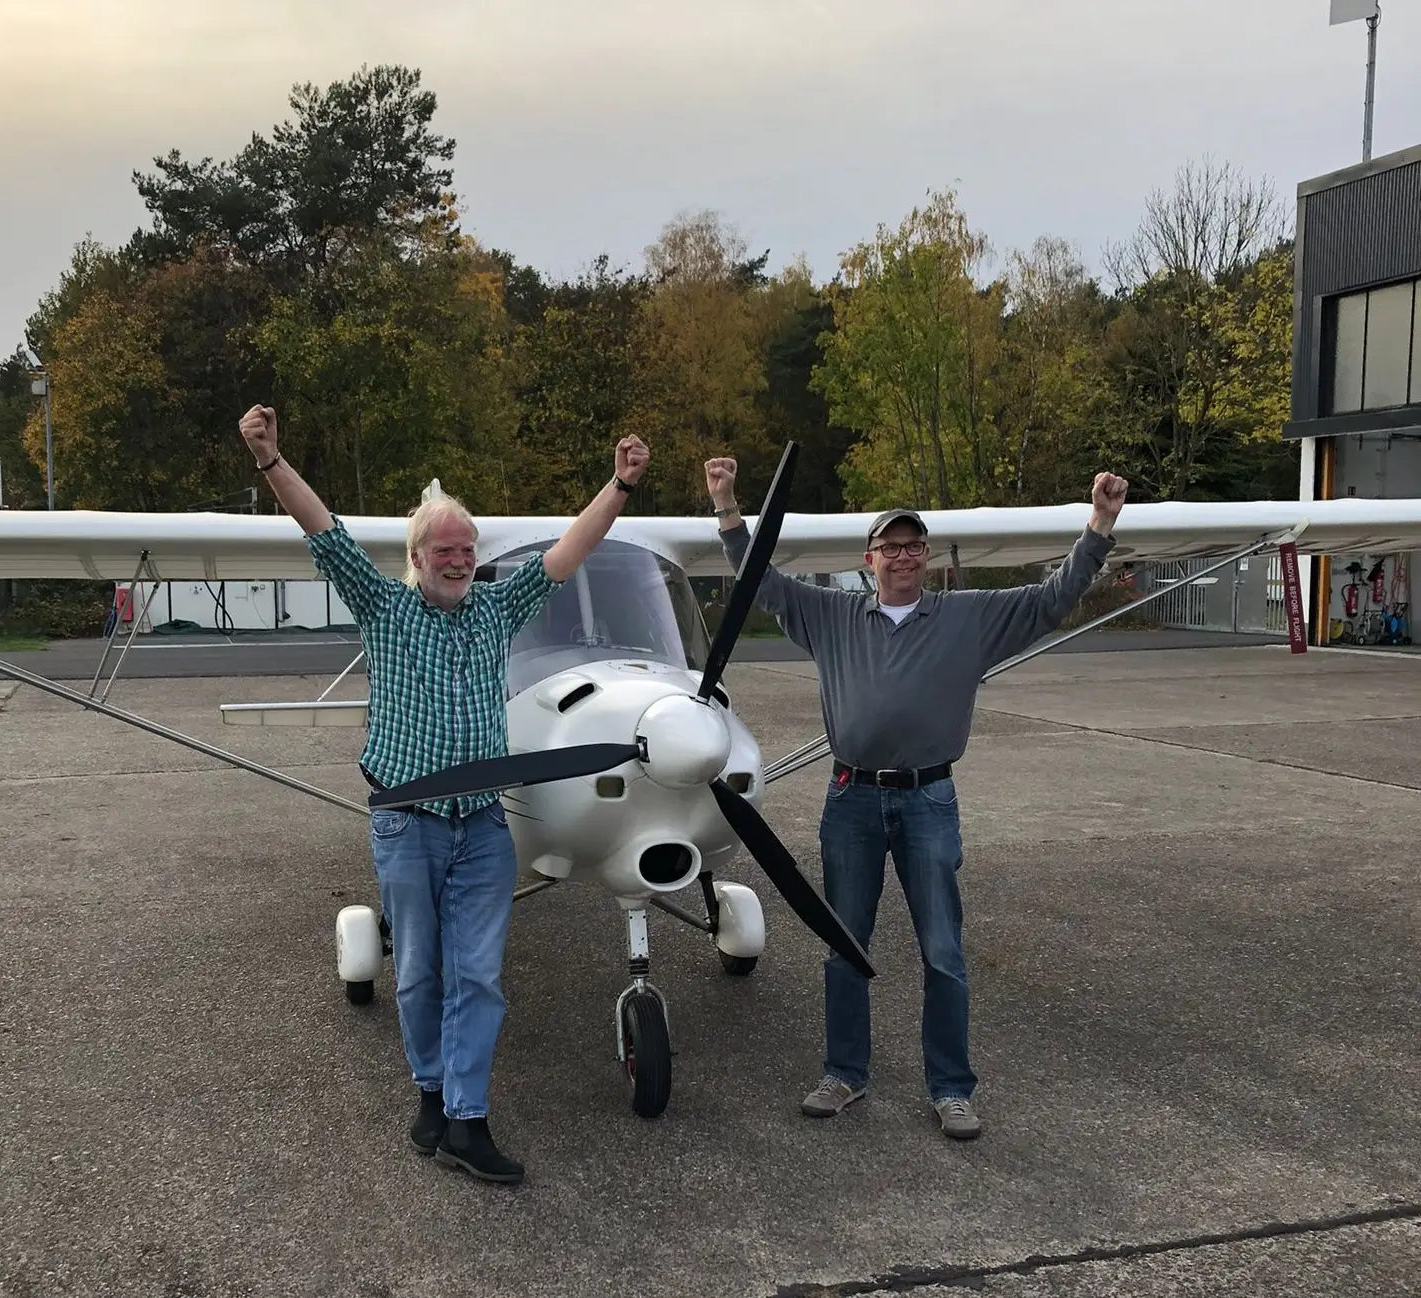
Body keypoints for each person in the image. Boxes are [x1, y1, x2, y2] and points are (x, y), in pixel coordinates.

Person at [240, 403, 649, 1183]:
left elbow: (568, 551)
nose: (458, 559)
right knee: (419, 970)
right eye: (443, 549)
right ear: (417, 557)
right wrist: (269, 459)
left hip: (484, 826)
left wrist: (620, 485)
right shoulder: (384, 608)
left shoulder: (500, 608)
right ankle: (430, 1092)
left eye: (466, 548)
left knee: (480, 975)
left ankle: (467, 1117)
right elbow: (322, 529)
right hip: (407, 823)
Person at [704, 457, 1127, 1139]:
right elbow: (764, 586)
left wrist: (1099, 525)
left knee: (943, 951)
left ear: (926, 557)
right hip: (851, 801)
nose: (904, 556)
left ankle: (952, 1088)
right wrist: (728, 507)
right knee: (843, 942)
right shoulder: (832, 615)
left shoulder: (968, 618)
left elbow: (1051, 599)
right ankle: (845, 1074)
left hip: (929, 800)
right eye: (891, 546)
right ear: (869, 559)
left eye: (914, 545)